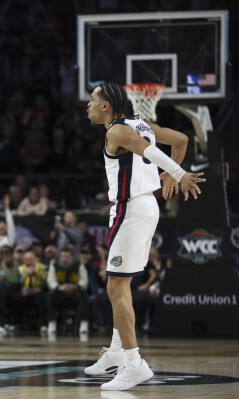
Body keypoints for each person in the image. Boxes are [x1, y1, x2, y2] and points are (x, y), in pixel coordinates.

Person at [84, 82, 205, 391]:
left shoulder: (117, 132)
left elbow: (148, 150)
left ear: (106, 106)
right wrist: (173, 168)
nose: (88, 105)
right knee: (117, 285)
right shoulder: (142, 124)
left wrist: (178, 175)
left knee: (116, 286)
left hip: (132, 209)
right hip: (136, 208)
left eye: (92, 100)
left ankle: (134, 363)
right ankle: (115, 351)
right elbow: (180, 139)